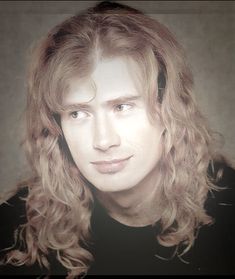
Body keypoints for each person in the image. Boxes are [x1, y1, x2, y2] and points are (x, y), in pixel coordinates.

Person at [0, 0, 234, 277]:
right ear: (57, 125)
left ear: (169, 109)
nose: (103, 140)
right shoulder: (17, 225)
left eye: (122, 107)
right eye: (77, 113)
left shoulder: (228, 213)